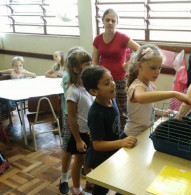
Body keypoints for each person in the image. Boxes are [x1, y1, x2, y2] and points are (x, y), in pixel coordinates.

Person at [81, 65, 137, 194]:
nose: (113, 84)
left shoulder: (112, 99)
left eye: (111, 79)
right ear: (94, 91)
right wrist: (121, 142)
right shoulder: (96, 113)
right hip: (100, 159)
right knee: (101, 188)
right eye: (107, 83)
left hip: (111, 154)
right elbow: (97, 145)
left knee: (113, 181)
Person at [120, 44, 191, 138]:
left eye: (159, 68)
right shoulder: (136, 86)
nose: (158, 71)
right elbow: (141, 98)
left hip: (143, 135)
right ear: (139, 66)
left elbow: (146, 110)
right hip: (130, 137)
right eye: (153, 68)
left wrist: (163, 113)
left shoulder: (150, 85)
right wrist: (174, 94)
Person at [92, 8, 140, 132]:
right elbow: (95, 59)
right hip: (102, 81)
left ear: (117, 23)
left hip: (119, 80)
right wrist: (97, 73)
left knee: (122, 111)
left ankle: (122, 137)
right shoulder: (97, 39)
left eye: (113, 20)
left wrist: (128, 64)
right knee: (105, 108)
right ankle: (110, 134)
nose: (110, 22)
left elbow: (140, 50)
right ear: (102, 21)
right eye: (107, 20)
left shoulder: (122, 37)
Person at [59, 47, 92, 195]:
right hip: (78, 133)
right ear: (77, 69)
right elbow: (71, 117)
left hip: (87, 130)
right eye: (87, 64)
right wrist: (78, 139)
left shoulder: (87, 86)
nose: (92, 66)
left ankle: (86, 182)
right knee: (78, 161)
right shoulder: (73, 90)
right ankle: (76, 189)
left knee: (84, 158)